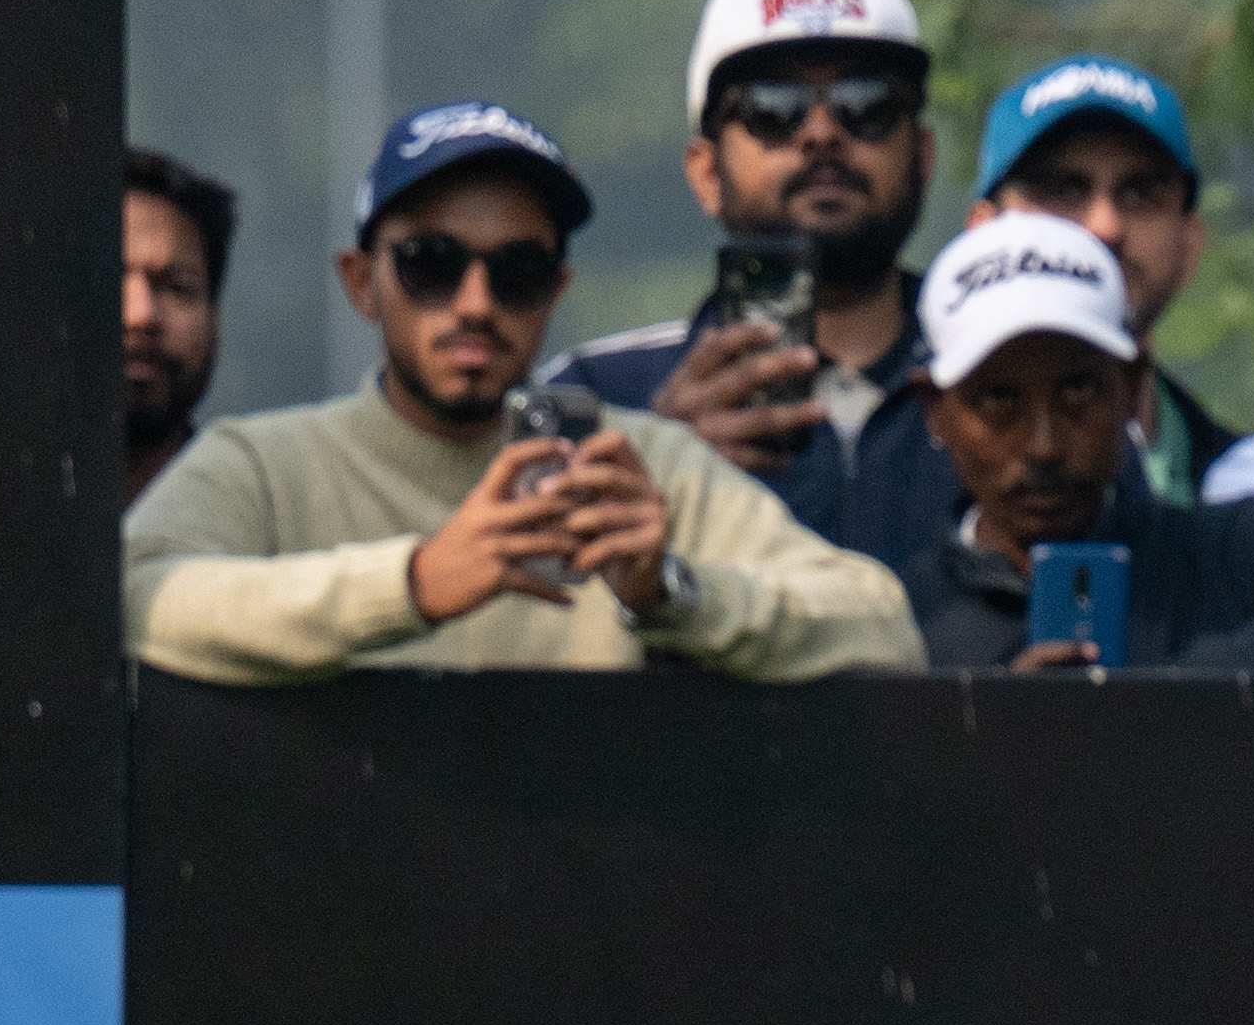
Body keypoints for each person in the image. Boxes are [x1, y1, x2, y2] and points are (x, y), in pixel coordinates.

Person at [121, 103, 915, 683]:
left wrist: (671, 592)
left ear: (557, 289)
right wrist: (414, 583)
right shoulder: (262, 465)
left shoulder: (638, 464)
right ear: (362, 284)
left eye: (517, 272)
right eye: (432, 263)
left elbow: (879, 625)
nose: (474, 303)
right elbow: (135, 598)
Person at [889, 210, 1254, 675]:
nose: (1043, 445)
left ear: (1132, 383)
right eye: (999, 401)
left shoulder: (1232, 553)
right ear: (935, 411)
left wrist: (1163, 701)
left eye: (1077, 390)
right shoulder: (898, 621)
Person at [564, 0, 957, 568]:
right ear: (705, 173)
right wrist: (661, 459)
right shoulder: (592, 396)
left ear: (924, 158)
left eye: (868, 104)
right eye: (773, 109)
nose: (822, 134)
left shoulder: (1010, 381)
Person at [969, 54, 1254, 506]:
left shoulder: (1250, 489)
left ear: (1190, 244)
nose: (1105, 226)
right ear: (981, 234)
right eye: (1063, 190)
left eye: (1140, 194)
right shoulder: (904, 468)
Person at [117, 146, 235, 505]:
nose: (141, 315)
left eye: (176, 288)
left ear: (214, 318)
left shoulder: (256, 519)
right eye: (110, 279)